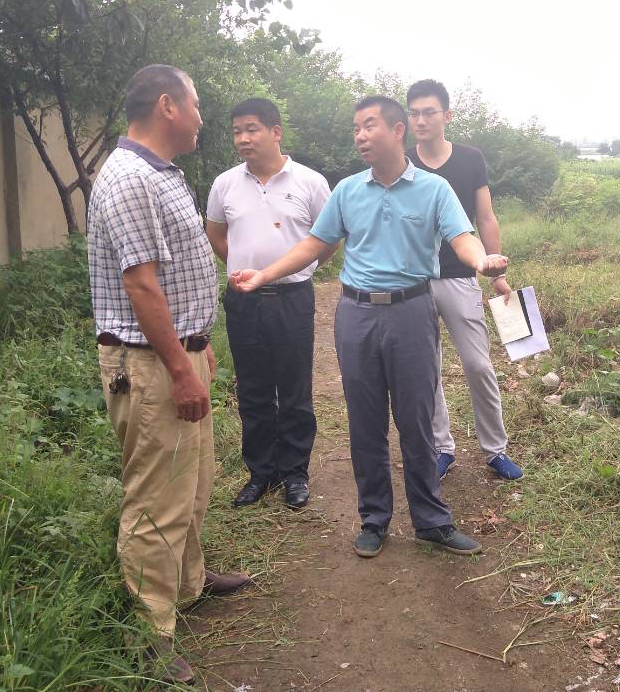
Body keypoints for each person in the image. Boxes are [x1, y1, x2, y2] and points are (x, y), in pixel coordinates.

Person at [228, 96, 508, 559]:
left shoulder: (434, 190)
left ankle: (432, 521)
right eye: (356, 127)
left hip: (411, 312)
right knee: (365, 420)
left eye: (369, 126)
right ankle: (374, 518)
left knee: (417, 419)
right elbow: (315, 244)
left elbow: (462, 236)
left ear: (398, 131)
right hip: (356, 314)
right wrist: (264, 274)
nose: (359, 135)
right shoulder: (347, 190)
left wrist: (482, 260)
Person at [87, 64, 250, 684]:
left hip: (179, 355)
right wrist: (180, 368)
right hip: (153, 365)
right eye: (197, 103)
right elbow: (140, 284)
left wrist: (196, 345)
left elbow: (174, 273)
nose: (204, 116)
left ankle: (187, 584)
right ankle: (148, 632)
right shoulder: (129, 178)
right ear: (167, 106)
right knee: (156, 495)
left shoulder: (162, 172)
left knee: (194, 479)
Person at [206, 98, 333, 510]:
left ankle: (295, 472)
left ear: (275, 132)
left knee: (294, 391)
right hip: (243, 302)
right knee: (254, 391)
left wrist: (293, 270)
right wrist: (245, 270)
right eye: (237, 131)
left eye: (252, 129)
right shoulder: (225, 183)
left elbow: (326, 239)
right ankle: (260, 472)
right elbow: (216, 234)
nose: (243, 138)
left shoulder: (311, 183)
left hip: (293, 298)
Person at [405, 79, 523, 482]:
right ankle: (442, 447)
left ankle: (496, 449)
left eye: (429, 112)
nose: (421, 120)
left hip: (459, 275)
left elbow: (485, 217)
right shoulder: (403, 162)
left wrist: (497, 275)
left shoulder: (470, 159)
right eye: (414, 112)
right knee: (427, 369)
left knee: (477, 365)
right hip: (414, 281)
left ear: (447, 116)